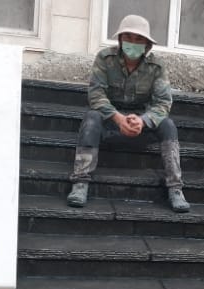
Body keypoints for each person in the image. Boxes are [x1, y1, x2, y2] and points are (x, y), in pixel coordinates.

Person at [67, 14, 189, 212]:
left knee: (168, 124)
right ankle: (80, 182)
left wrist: (142, 121)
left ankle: (175, 188)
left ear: (147, 44)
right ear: (120, 39)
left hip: (141, 124)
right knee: (91, 117)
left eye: (139, 39)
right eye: (128, 37)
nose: (133, 42)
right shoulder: (105, 58)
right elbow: (96, 94)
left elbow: (163, 103)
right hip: (110, 120)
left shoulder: (157, 66)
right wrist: (118, 118)